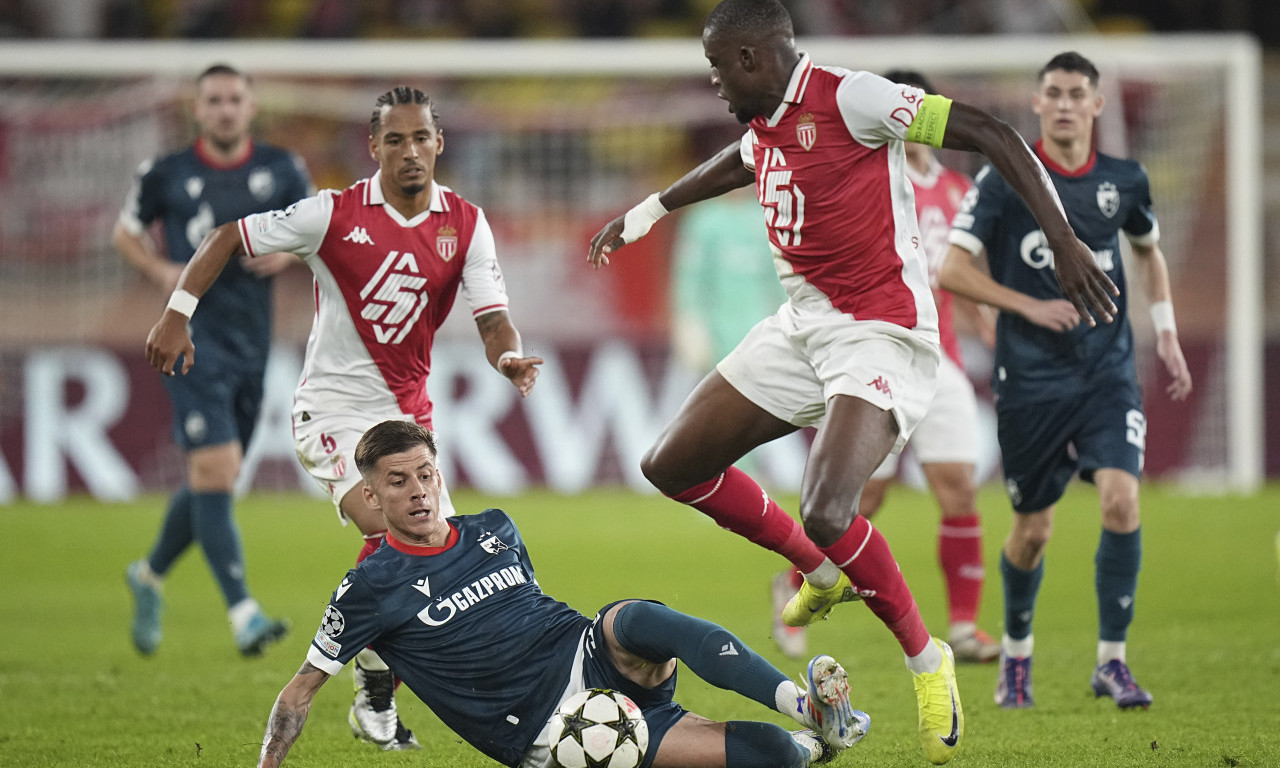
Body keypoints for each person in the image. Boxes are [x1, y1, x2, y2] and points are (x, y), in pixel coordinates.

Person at [587, 1, 1118, 762]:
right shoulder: (767, 123)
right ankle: (818, 570)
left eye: (716, 66)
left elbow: (993, 133)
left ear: (750, 58)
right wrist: (649, 210)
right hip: (801, 326)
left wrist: (1062, 240)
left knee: (829, 508)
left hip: (881, 332)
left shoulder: (854, 97)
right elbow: (741, 160)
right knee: (669, 464)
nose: (713, 82)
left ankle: (926, 659)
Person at [144, 86, 543, 750]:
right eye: (396, 139)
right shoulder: (331, 214)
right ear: (374, 147)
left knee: (426, 551)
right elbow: (227, 235)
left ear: (439, 143)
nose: (410, 151)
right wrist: (176, 313)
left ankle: (373, 695)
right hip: (331, 409)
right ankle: (334, 679)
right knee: (395, 530)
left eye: (421, 137)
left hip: (407, 420)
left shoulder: (467, 224)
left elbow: (493, 318)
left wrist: (507, 358)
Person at [256, 419, 871, 768]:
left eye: (425, 474)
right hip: (553, 725)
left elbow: (528, 611)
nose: (418, 491)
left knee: (640, 617)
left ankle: (808, 707)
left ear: (440, 475)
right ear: (370, 496)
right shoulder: (369, 587)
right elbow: (298, 693)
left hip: (587, 649)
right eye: (398, 481)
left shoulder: (493, 527)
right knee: (774, 757)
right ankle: (809, 743)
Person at [938, 51, 1193, 709]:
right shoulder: (1004, 178)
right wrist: (1025, 306)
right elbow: (952, 270)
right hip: (1031, 380)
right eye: (1052, 93)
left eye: (1077, 93)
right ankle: (1016, 655)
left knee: (1122, 501)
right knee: (1033, 532)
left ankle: (1113, 662)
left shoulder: (1125, 180)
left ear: (1097, 105)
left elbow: (1149, 252)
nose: (1064, 104)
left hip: (1107, 371)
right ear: (1036, 103)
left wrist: (1165, 327)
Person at [769, 68, 1002, 666]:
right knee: (862, 496)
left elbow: (956, 270)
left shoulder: (957, 188)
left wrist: (982, 318)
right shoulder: (872, 176)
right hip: (881, 353)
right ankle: (794, 583)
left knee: (959, 487)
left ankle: (965, 628)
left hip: (941, 359)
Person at [118, 63, 311, 659]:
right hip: (189, 342)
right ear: (197, 110)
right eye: (214, 100)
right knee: (217, 469)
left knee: (214, 478)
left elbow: (316, 232)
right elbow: (124, 232)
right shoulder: (166, 173)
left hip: (253, 343)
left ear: (251, 107)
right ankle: (243, 614)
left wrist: (286, 255)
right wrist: (158, 270)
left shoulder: (283, 169)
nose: (225, 109)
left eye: (234, 99)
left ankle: (148, 574)